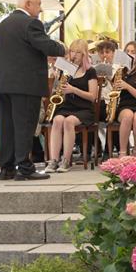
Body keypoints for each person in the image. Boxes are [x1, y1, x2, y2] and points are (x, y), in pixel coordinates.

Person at [0, 0, 65, 181]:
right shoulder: (31, 23)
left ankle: (6, 168)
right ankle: (24, 168)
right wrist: (62, 48)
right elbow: (46, 46)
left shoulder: (2, 25)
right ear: (27, 4)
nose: (40, 9)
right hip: (25, 84)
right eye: (38, 4)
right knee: (24, 126)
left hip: (4, 83)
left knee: (7, 127)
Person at [43, 39, 99, 173]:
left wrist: (74, 90)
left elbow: (93, 96)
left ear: (84, 54)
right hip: (67, 106)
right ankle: (54, 160)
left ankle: (66, 160)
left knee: (69, 121)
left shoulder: (90, 71)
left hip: (84, 108)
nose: (74, 55)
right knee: (57, 120)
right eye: (72, 51)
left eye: (78, 52)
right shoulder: (66, 70)